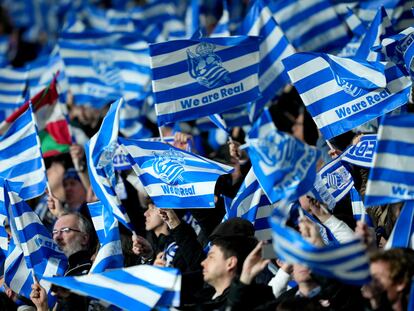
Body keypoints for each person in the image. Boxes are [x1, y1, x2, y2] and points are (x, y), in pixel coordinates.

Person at [30, 212, 95, 311]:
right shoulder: (52, 269)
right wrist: (42, 307)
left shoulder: (93, 270)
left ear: (84, 239)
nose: (57, 237)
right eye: (55, 232)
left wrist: (67, 297)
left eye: (65, 230)